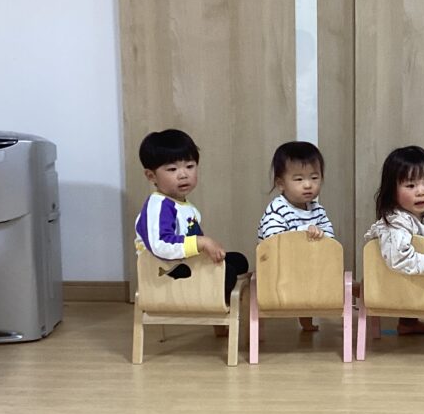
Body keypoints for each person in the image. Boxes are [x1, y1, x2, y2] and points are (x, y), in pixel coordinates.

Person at [134, 130, 249, 333]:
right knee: (227, 272)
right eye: (172, 169)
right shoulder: (159, 205)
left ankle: (215, 304)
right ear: (151, 176)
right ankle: (215, 310)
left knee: (237, 261)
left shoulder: (186, 207)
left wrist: (204, 249)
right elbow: (160, 244)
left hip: (185, 264)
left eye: (190, 166)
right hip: (166, 271)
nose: (183, 174)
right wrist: (201, 243)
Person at [363, 145, 424, 335]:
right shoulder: (396, 223)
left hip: (415, 277)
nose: (421, 192)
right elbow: (397, 258)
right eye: (410, 186)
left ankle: (408, 323)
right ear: (392, 191)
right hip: (393, 279)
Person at [257, 141, 335, 333]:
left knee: (328, 269)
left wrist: (322, 236)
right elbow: (273, 242)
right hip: (280, 270)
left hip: (308, 267)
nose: (308, 185)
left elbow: (330, 238)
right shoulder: (277, 209)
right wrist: (304, 231)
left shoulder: (317, 209)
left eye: (314, 178)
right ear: (281, 184)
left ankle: (307, 316)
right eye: (298, 179)